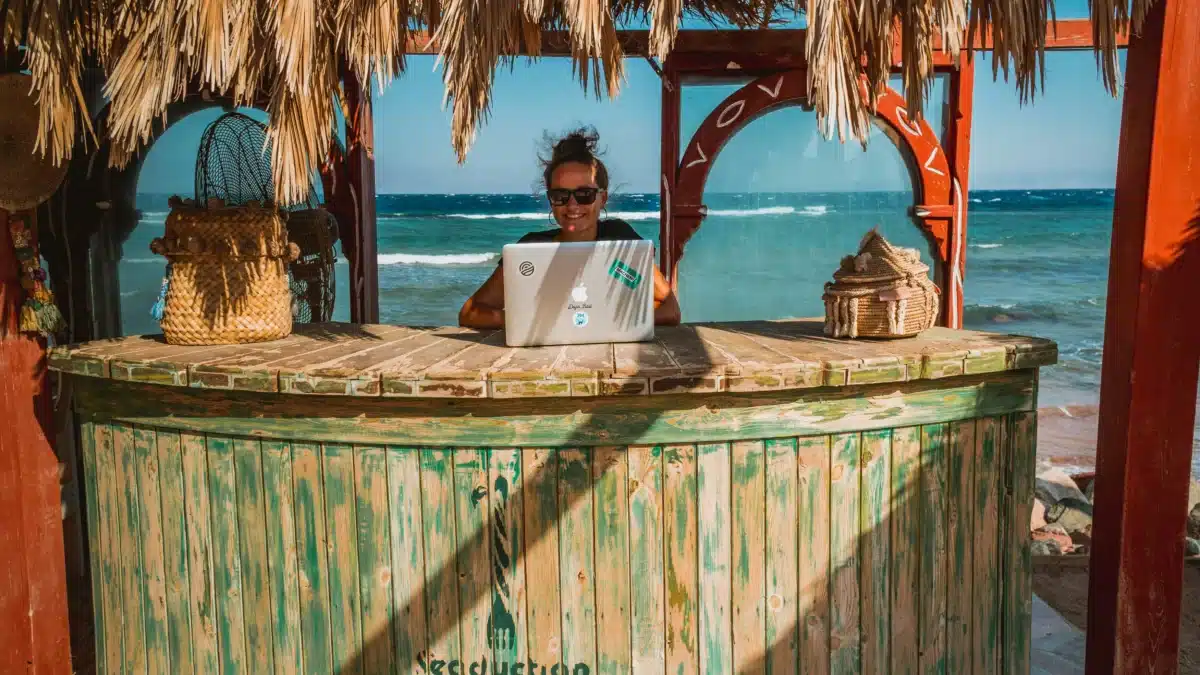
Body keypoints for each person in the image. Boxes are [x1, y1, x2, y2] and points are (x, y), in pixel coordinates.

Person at [458, 127, 682, 329]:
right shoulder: (532, 248)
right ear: (550, 200)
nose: (572, 205)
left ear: (602, 198)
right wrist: (529, 320)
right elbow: (470, 313)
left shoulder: (620, 238)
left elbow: (670, 309)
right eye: (560, 195)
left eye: (585, 194)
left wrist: (607, 321)